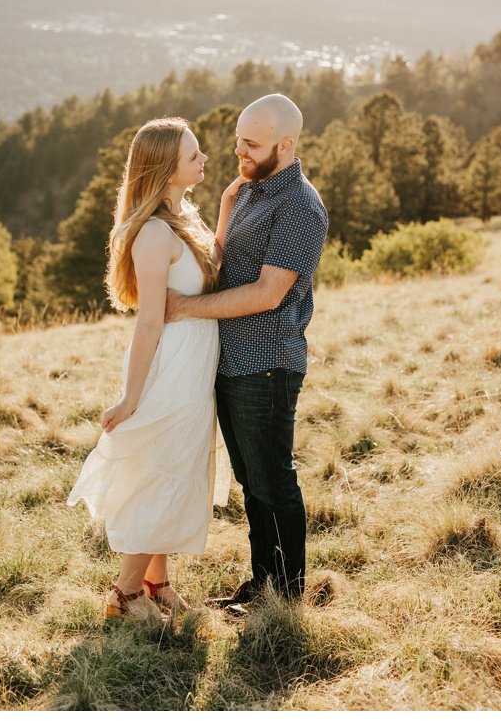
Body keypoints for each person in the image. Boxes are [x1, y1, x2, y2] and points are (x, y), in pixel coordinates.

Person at [165, 93, 327, 608]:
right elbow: (224, 266)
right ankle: (260, 585)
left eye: (251, 144)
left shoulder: (300, 206)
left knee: (273, 479)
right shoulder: (252, 190)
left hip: (267, 363)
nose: (240, 152)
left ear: (286, 144)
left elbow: (267, 293)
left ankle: (286, 595)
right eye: (237, 141)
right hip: (231, 360)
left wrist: (185, 308)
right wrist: (225, 208)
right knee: (250, 482)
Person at [68, 117, 229, 622]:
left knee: (177, 465)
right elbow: (148, 323)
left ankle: (158, 581)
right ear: (164, 169)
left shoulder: (186, 217)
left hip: (194, 362)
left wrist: (226, 206)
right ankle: (125, 593)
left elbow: (212, 264)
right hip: (170, 366)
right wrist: (131, 397)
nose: (204, 161)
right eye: (193, 156)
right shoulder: (155, 234)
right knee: (163, 470)